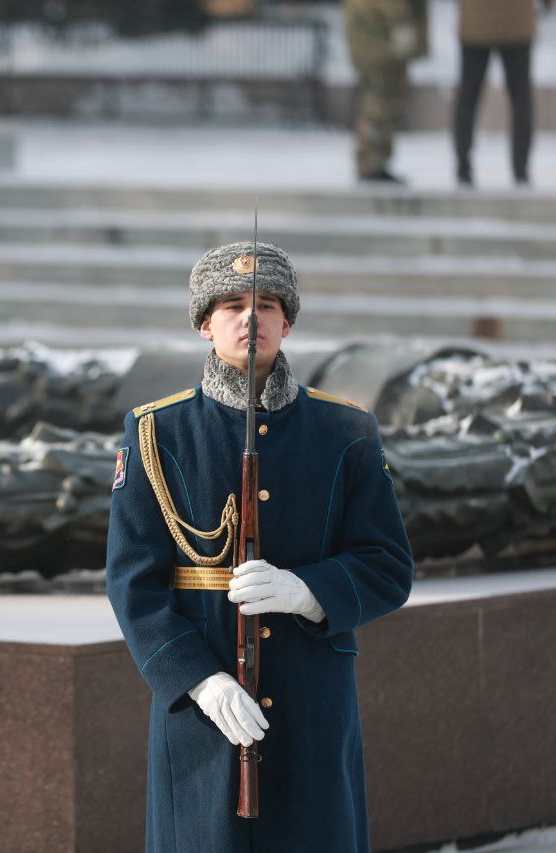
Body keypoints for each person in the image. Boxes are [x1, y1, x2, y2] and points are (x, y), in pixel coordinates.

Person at [105, 241, 415, 852]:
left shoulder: (345, 430)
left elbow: (388, 566)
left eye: (268, 305)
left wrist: (310, 591)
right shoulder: (156, 432)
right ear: (204, 324)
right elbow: (132, 581)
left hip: (310, 702)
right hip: (203, 711)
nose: (252, 319)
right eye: (232, 306)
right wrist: (198, 680)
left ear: (288, 322)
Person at [454, 0, 552, 187]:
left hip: (475, 21)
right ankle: (521, 171)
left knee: (468, 97)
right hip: (517, 21)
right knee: (521, 99)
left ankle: (463, 169)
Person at [343, 0, 430, 183]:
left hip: (374, 42)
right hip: (380, 45)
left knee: (381, 103)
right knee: (379, 104)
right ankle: (371, 163)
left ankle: (375, 162)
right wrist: (402, 27)